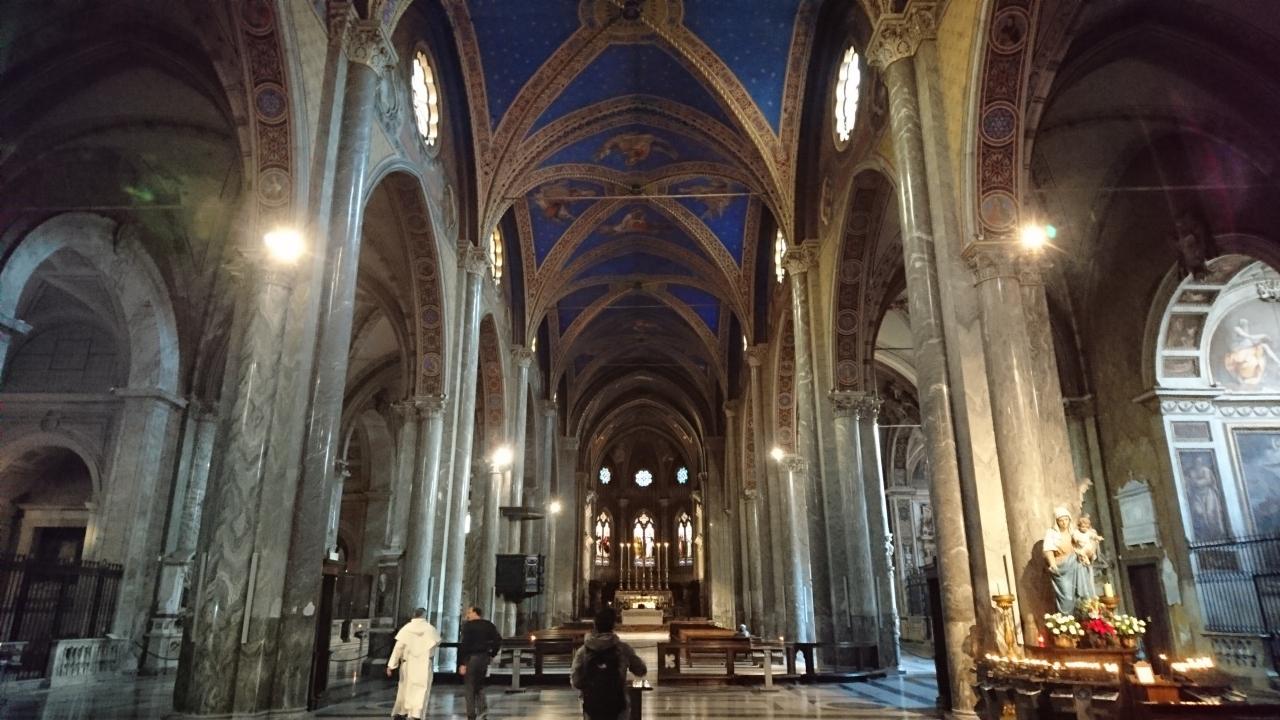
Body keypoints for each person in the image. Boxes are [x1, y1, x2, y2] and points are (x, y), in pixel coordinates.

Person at [571, 607, 647, 720]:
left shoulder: (583, 651)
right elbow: (641, 670)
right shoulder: (623, 649)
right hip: (617, 703)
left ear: (595, 625)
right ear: (613, 625)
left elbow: (576, 681)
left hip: (592, 705)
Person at [386, 607, 442, 720]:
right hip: (424, 663)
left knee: (404, 688)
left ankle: (402, 712)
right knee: (422, 690)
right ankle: (416, 714)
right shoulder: (430, 629)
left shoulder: (406, 629)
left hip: (408, 663)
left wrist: (391, 665)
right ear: (424, 615)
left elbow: (398, 648)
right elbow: (437, 642)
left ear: (414, 615)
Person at [1043, 506, 1094, 614]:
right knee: (1066, 598)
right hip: (1061, 568)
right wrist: (1052, 563)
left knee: (1080, 594)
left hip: (1075, 564)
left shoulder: (1073, 532)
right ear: (1056, 521)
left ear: (1069, 520)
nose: (1064, 523)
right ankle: (1066, 620)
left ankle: (1081, 618)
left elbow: (1082, 546)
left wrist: (1086, 553)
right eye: (1061, 520)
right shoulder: (1051, 533)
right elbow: (1048, 550)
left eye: (1066, 519)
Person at [458, 606, 501, 720]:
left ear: (475, 613)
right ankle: (483, 712)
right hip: (484, 657)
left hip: (471, 658)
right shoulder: (488, 625)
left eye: (469, 612)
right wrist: (492, 654)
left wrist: (462, 663)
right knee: (480, 685)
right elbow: (498, 640)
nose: (467, 615)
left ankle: (471, 714)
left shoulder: (468, 626)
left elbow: (465, 644)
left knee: (469, 686)